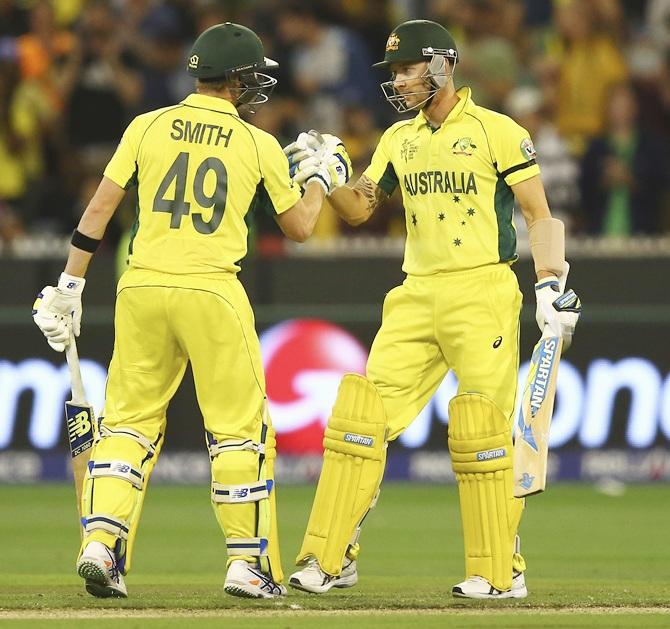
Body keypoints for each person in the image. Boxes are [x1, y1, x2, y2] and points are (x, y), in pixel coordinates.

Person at [32, 22, 348, 600]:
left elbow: (99, 209)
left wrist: (68, 285)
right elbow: (301, 227)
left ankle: (102, 542)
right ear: (237, 81)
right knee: (238, 431)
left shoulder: (147, 125)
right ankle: (246, 563)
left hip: (142, 287)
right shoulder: (255, 142)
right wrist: (320, 177)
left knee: (128, 424)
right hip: (211, 291)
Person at [285, 19, 581, 599]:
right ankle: (331, 558)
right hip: (415, 294)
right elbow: (360, 209)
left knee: (485, 435)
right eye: (393, 71)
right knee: (359, 423)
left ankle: (500, 571)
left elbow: (539, 212)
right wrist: (328, 177)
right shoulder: (400, 139)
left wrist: (549, 281)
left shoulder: (498, 131)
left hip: (483, 292)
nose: (397, 80)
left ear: (442, 65)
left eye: (406, 68)